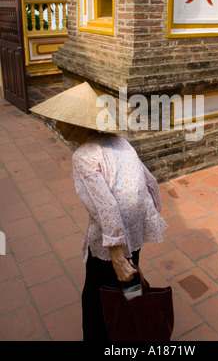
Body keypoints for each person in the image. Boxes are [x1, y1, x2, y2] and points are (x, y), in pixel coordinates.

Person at [30, 82, 167, 341]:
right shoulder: (121, 142)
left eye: (61, 120)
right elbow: (150, 182)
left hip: (110, 242)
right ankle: (134, 323)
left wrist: (116, 255)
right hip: (135, 230)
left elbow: (107, 209)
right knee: (130, 280)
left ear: (77, 124)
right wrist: (148, 217)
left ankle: (109, 336)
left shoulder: (83, 156)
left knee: (97, 297)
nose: (57, 126)